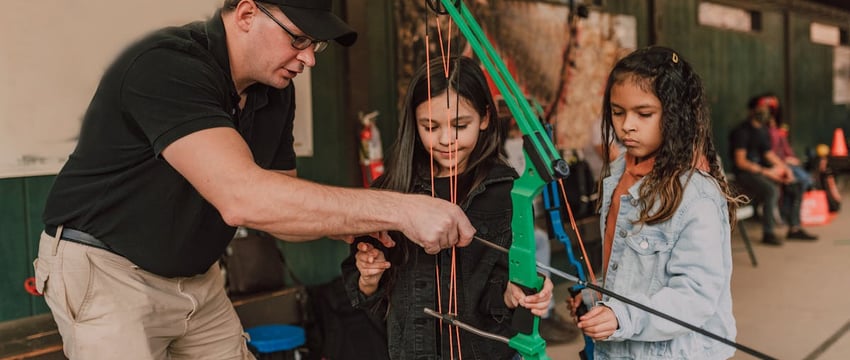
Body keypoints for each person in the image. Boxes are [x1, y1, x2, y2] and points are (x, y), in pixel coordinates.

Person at [35, 1, 475, 359]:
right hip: (108, 272)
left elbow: (279, 210)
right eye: (298, 39)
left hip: (196, 279)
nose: (307, 59)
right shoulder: (167, 65)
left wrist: (355, 226)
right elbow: (244, 198)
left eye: (314, 46)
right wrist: (403, 209)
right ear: (246, 15)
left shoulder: (275, 92)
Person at [341, 56, 554, 360]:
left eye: (459, 125)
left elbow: (502, 291)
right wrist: (369, 278)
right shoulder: (390, 191)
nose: (445, 139)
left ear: (484, 118)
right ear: (414, 124)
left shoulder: (507, 191)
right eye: (430, 126)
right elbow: (369, 299)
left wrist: (513, 293)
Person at [570, 46, 740, 359]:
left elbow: (696, 295)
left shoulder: (695, 196)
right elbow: (628, 267)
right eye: (617, 112)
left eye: (643, 114)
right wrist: (598, 297)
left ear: (676, 115)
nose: (626, 125)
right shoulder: (620, 170)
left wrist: (621, 316)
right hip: (620, 349)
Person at [730, 93, 817, 245]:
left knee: (795, 184)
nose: (764, 111)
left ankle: (794, 228)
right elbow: (741, 162)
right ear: (751, 110)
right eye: (760, 108)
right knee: (771, 190)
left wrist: (784, 168)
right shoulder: (742, 132)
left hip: (762, 171)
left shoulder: (763, 131)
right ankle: (768, 233)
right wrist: (767, 172)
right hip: (744, 174)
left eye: (766, 108)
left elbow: (768, 154)